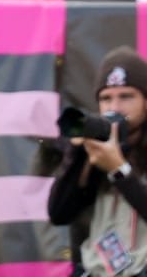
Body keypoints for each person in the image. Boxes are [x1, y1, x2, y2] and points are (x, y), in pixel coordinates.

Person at [49, 47, 147, 277]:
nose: (114, 108)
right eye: (106, 98)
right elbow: (58, 214)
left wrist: (119, 170)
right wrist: (77, 156)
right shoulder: (97, 146)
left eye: (126, 96)